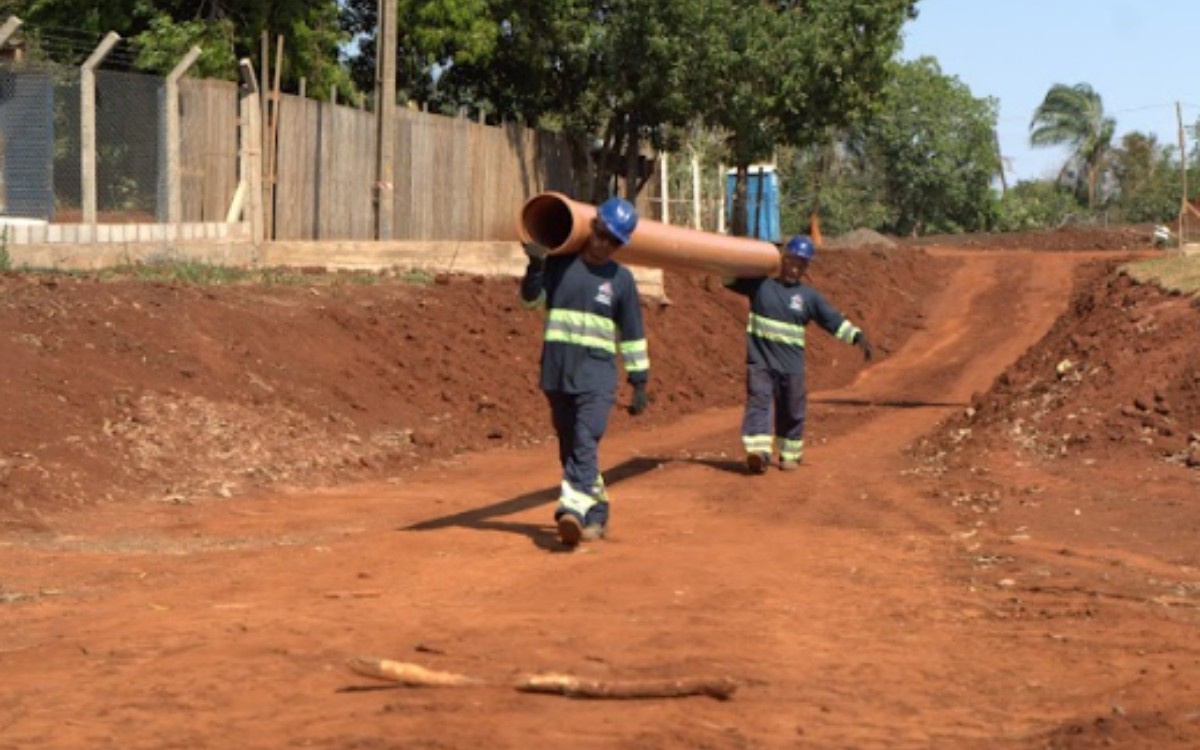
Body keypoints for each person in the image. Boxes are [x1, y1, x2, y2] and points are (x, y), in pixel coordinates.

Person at [520, 196, 650, 547]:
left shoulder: (621, 280)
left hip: (597, 377)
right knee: (572, 449)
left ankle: (572, 510)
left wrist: (639, 381)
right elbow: (530, 302)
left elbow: (633, 332)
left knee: (585, 438)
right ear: (592, 227)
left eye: (613, 241)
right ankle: (597, 511)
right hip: (557, 373)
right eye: (601, 233)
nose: (603, 244)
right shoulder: (560, 264)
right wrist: (535, 268)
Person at [724, 234, 873, 473]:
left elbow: (832, 320)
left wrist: (857, 336)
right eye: (792, 261)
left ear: (806, 268)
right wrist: (739, 254)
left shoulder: (808, 297)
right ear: (783, 260)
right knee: (759, 401)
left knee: (792, 409)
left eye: (801, 265)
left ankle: (789, 454)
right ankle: (758, 453)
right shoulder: (760, 285)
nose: (795, 268)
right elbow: (728, 278)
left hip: (791, 367)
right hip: (760, 362)